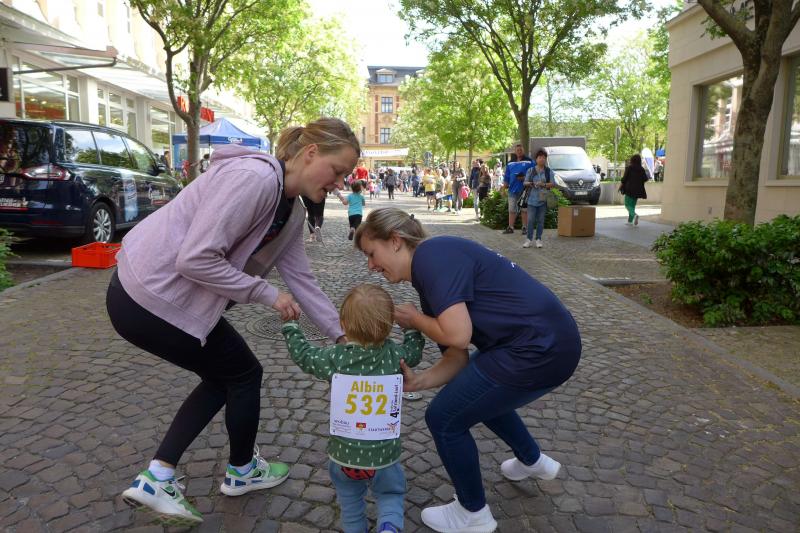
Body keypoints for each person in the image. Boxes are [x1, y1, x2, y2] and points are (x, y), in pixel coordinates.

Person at [107, 117, 360, 526]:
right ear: (311, 153)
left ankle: (164, 473)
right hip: (149, 294)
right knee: (242, 374)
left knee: (228, 375)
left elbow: (302, 280)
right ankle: (234, 471)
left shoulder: (291, 211)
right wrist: (266, 294)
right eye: (337, 170)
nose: (339, 183)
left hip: (159, 299)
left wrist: (343, 336)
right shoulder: (254, 178)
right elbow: (196, 258)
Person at [354, 208, 581, 533]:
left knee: (443, 419)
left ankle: (472, 513)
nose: (370, 266)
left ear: (394, 240)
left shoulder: (432, 257)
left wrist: (416, 320)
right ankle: (533, 460)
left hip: (539, 349)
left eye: (371, 254)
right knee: (472, 396)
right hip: (545, 343)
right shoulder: (430, 270)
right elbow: (457, 359)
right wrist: (418, 382)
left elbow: (458, 335)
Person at [281, 284, 425, 533]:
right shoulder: (394, 356)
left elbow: (304, 356)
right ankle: (389, 527)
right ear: (389, 325)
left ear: (343, 324)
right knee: (390, 495)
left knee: (350, 505)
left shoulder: (335, 357)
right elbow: (414, 353)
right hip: (383, 456)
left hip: (344, 456)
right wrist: (412, 330)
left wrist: (291, 327)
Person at [522, 149, 555, 249]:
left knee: (541, 221)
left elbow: (553, 184)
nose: (542, 159)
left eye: (544, 158)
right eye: (540, 157)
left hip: (543, 200)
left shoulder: (548, 171)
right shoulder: (530, 170)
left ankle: (538, 239)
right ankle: (528, 239)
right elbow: (525, 182)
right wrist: (531, 183)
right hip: (531, 200)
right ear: (536, 159)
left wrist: (543, 184)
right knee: (530, 220)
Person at [502, 158, 534, 234]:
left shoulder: (530, 161)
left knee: (524, 209)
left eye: (520, 151)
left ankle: (525, 227)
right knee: (511, 209)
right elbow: (507, 177)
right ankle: (510, 227)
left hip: (525, 190)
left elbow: (534, 174)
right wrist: (503, 188)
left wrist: (525, 178)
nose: (519, 152)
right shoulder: (510, 163)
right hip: (512, 190)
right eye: (517, 151)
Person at [619, 153, 649, 226]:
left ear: (632, 160)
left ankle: (634, 215)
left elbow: (624, 179)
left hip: (630, 189)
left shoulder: (629, 168)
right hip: (638, 190)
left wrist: (620, 186)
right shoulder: (641, 169)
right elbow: (645, 179)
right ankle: (630, 221)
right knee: (632, 206)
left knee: (627, 205)